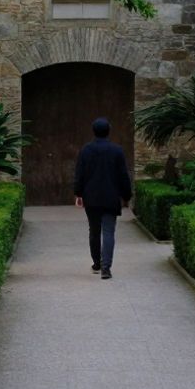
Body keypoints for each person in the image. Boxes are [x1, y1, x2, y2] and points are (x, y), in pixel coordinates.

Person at [73, 117, 132, 280]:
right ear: (109, 131)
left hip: (91, 197)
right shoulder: (117, 150)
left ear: (93, 131)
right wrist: (127, 195)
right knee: (108, 232)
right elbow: (123, 176)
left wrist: (78, 193)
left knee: (94, 230)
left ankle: (97, 263)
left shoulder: (86, 150)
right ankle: (106, 268)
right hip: (111, 197)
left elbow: (79, 175)